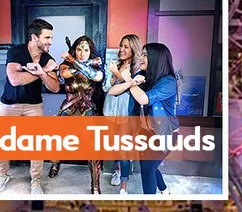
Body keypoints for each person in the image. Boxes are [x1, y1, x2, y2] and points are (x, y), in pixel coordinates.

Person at [0, 18, 60, 195]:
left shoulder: (47, 57)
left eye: (51, 38)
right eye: (47, 38)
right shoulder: (16, 52)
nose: (50, 42)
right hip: (9, 104)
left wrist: (42, 71)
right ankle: (2, 175)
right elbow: (15, 80)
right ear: (34, 37)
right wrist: (43, 71)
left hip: (34, 105)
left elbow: (55, 87)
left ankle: (36, 180)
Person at [113, 42, 178, 195]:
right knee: (148, 166)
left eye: (145, 55)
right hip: (145, 131)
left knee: (148, 168)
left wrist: (129, 80)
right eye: (141, 54)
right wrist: (128, 80)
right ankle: (165, 191)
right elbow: (114, 91)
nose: (140, 58)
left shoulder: (169, 82)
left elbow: (144, 99)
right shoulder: (142, 77)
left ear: (157, 58)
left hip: (164, 133)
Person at [48, 35, 105, 193]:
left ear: (90, 51)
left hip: (88, 110)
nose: (82, 52)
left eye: (86, 50)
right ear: (74, 50)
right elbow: (66, 75)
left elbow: (95, 77)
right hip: (68, 108)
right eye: (79, 49)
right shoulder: (64, 66)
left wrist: (76, 61)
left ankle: (95, 185)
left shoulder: (96, 68)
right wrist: (83, 63)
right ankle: (55, 164)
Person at [104, 33, 142, 195]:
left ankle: (124, 188)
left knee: (124, 149)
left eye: (126, 46)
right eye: (121, 45)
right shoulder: (114, 64)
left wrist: (118, 74)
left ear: (134, 49)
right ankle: (119, 171)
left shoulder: (139, 68)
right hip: (110, 111)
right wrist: (113, 75)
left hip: (127, 114)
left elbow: (132, 91)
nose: (121, 49)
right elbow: (107, 89)